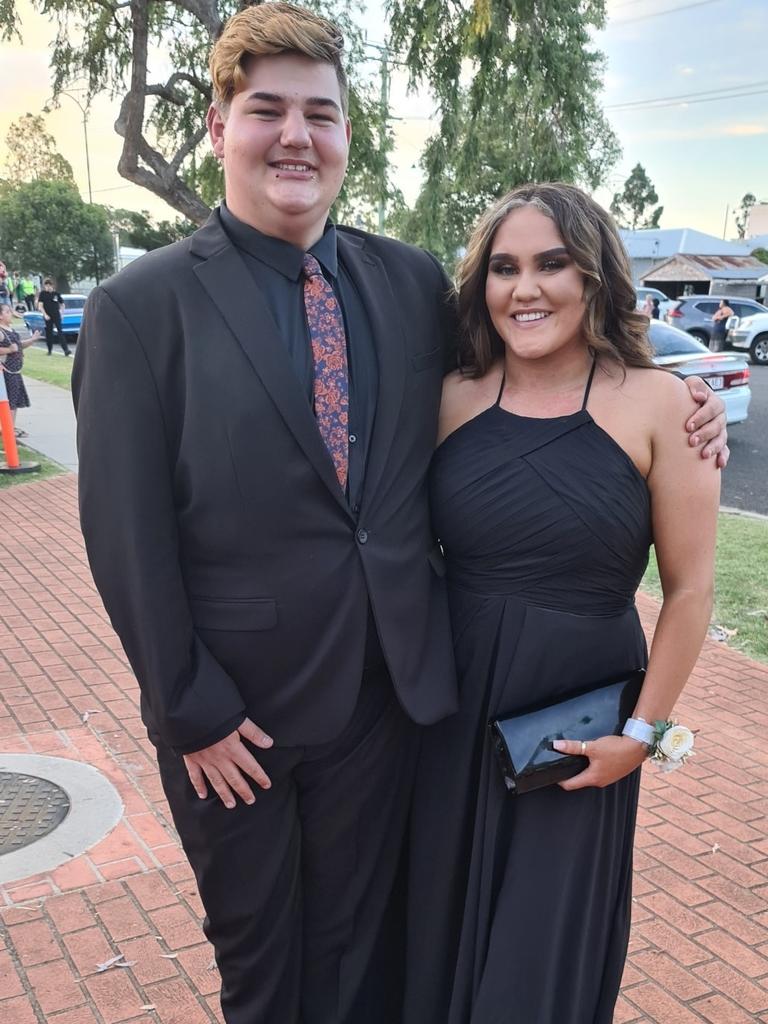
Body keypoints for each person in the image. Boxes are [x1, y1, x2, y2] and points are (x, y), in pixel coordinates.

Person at [72, 5, 727, 1023]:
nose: (297, 136)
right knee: (261, 965)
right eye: (268, 110)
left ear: (347, 135)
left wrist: (683, 410)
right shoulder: (143, 306)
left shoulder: (407, 282)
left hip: (395, 703)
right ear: (218, 125)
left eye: (321, 114)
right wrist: (186, 703)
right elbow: (125, 529)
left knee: (365, 957)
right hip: (235, 721)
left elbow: (538, 350)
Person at [404, 183, 720, 1024]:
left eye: (552, 263)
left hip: (578, 733)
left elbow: (689, 593)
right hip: (450, 712)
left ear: (594, 276)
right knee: (434, 934)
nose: (525, 288)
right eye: (504, 268)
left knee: (538, 967)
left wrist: (640, 738)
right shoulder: (448, 398)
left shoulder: (665, 406)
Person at [0, 303, 40, 435]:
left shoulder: (10, 329)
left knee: (14, 401)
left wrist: (32, 340)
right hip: (6, 371)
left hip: (15, 371)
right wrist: (9, 349)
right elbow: (11, 348)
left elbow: (19, 346)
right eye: (7, 312)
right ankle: (7, 430)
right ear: (0, 316)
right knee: (9, 401)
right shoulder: (1, 331)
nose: (10, 313)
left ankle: (10, 427)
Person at [37, 278, 70, 356]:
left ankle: (66, 350)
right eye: (46, 285)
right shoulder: (43, 294)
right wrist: (45, 314)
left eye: (49, 285)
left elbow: (62, 304)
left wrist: (61, 313)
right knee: (49, 333)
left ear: (52, 286)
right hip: (48, 315)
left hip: (56, 315)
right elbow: (40, 306)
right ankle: (49, 350)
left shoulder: (56, 294)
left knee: (60, 331)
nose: (48, 287)